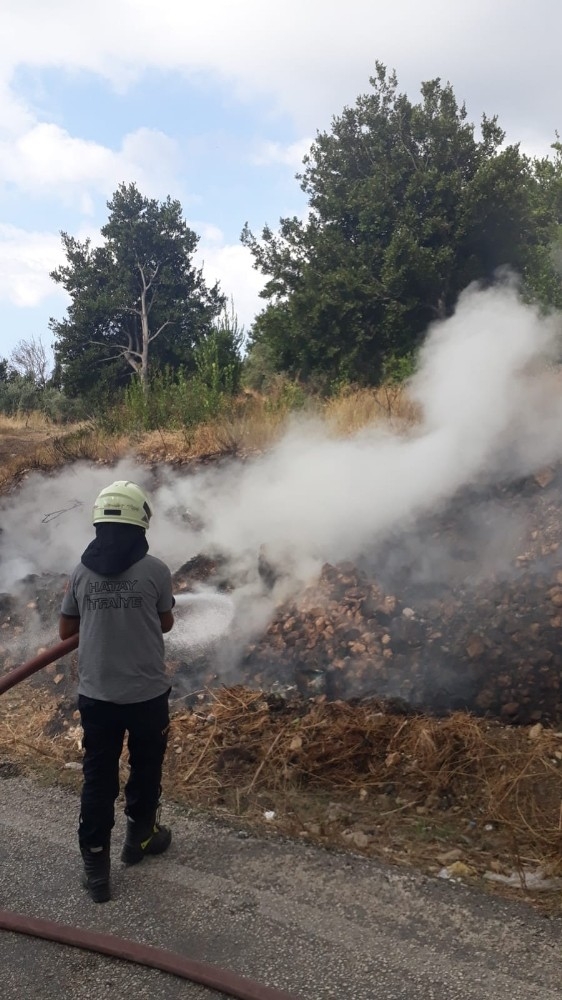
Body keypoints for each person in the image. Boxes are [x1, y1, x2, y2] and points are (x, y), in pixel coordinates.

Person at [59, 480, 175, 903]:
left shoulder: (80, 573)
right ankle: (139, 839)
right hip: (147, 697)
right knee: (146, 769)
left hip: (98, 698)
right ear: (141, 521)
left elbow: (65, 630)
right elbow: (165, 623)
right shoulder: (157, 571)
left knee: (98, 779)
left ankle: (96, 871)